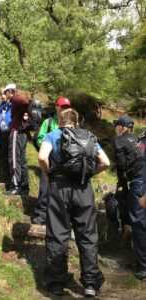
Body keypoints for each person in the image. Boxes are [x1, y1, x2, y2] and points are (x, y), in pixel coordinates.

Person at [38, 108, 110, 297]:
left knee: (57, 235)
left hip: (59, 188)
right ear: (77, 122)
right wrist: (89, 175)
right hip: (83, 189)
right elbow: (105, 162)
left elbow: (42, 157)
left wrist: (48, 174)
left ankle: (56, 284)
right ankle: (90, 284)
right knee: (87, 236)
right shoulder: (88, 136)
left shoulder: (52, 135)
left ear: (60, 120)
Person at [113, 116, 146, 280]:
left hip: (139, 184)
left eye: (116, 126)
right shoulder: (139, 140)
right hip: (142, 179)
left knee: (138, 222)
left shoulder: (119, 141)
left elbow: (121, 164)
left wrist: (122, 181)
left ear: (121, 127)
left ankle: (143, 267)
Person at [31, 97, 71, 225]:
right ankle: (41, 214)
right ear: (56, 107)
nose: (64, 109)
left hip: (66, 161)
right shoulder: (48, 122)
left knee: (64, 189)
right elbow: (40, 138)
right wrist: (48, 148)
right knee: (45, 186)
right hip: (49, 159)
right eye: (62, 106)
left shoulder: (72, 123)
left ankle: (59, 216)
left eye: (66, 107)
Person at [4, 83, 30, 195]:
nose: (5, 94)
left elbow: (26, 102)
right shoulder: (20, 98)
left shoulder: (15, 98)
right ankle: (24, 186)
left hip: (16, 132)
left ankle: (15, 186)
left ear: (10, 91)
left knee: (14, 159)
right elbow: (27, 103)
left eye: (6, 92)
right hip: (23, 132)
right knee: (22, 160)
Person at [0, 88, 12, 190]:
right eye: (1, 94)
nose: (3, 96)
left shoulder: (12, 105)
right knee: (4, 157)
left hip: (10, 134)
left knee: (11, 157)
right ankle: (7, 179)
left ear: (8, 94)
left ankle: (13, 181)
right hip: (1, 135)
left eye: (4, 94)